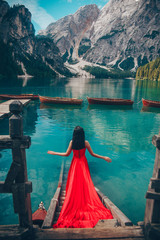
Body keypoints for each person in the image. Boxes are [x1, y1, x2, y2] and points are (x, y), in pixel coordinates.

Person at [48, 126, 113, 228]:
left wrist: (54, 153)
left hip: (75, 164)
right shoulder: (86, 143)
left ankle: (76, 198)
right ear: (82, 134)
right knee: (85, 181)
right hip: (83, 163)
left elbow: (66, 154)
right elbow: (93, 154)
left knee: (74, 182)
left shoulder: (72, 142)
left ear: (74, 134)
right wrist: (104, 157)